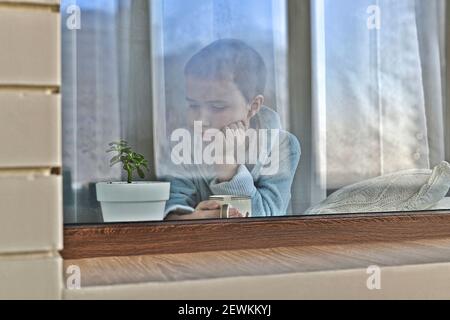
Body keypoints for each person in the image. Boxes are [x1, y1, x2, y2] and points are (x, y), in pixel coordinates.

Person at [163, 39, 301, 220]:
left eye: (218, 107)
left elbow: (267, 220)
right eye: (193, 105)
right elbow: (172, 210)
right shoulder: (183, 144)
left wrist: (227, 166)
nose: (201, 120)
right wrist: (193, 220)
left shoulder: (282, 146)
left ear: (253, 106)